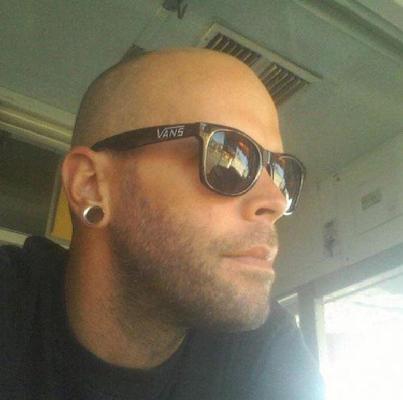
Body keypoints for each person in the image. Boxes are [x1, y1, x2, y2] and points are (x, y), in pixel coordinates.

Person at [0, 48, 324, 399]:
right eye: (229, 157)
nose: (275, 201)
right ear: (90, 186)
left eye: (280, 174)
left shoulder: (263, 350)